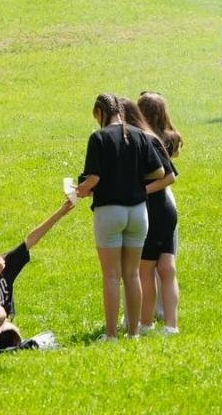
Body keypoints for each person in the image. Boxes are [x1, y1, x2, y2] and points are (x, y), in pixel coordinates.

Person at [75, 93, 171, 340]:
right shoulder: (139, 134)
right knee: (132, 274)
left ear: (100, 112)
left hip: (110, 211)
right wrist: (133, 178)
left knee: (111, 275)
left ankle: (111, 334)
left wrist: (79, 191)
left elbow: (94, 178)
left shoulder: (99, 137)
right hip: (138, 212)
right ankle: (134, 332)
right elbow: (159, 170)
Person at [0, 193, 78, 348]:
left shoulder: (3, 264)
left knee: (8, 333)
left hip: (3, 327)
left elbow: (30, 240)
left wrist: (61, 212)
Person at [125, 94, 183, 336]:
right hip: (168, 207)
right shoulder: (166, 136)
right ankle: (171, 325)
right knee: (168, 268)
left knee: (144, 270)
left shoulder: (142, 140)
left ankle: (146, 323)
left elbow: (167, 174)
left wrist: (139, 190)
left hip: (151, 207)